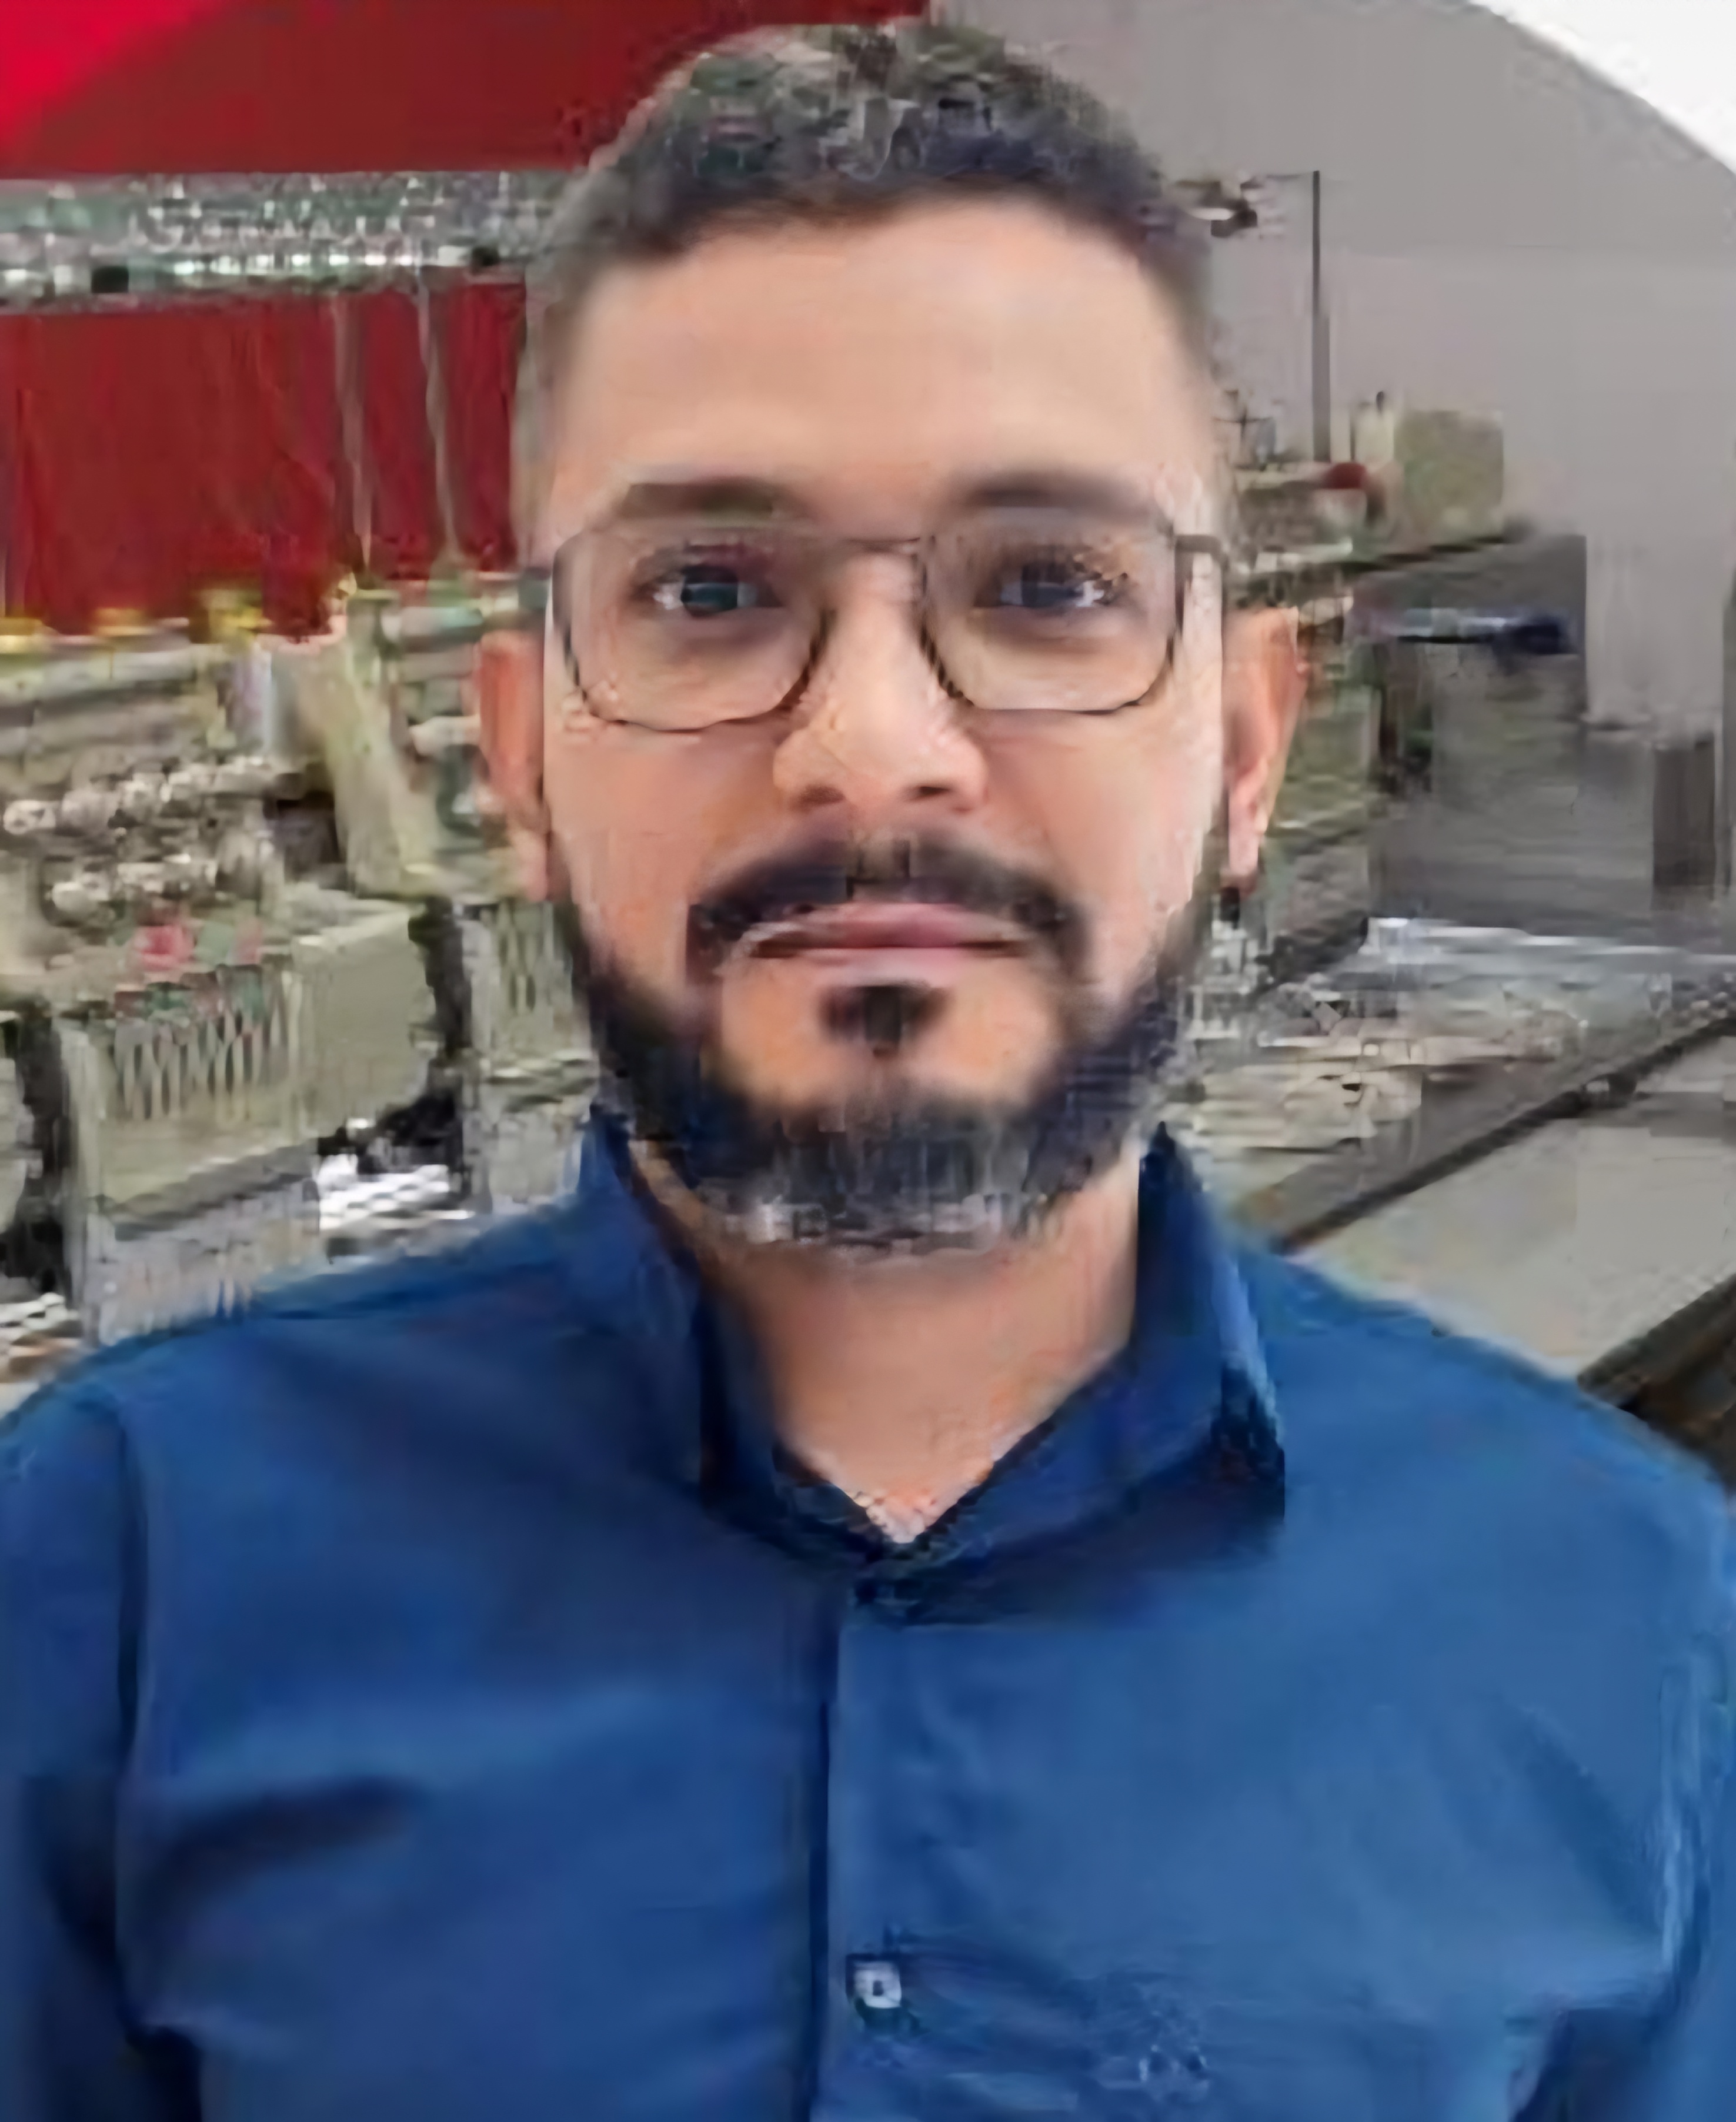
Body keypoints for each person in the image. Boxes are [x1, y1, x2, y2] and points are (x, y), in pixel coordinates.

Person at [3, 23, 1732, 2120]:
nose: (874, 742)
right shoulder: (118, 1574)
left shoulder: (1632, 1621)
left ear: (1245, 746)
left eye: (1047, 585)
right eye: (713, 590)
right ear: (521, 758)